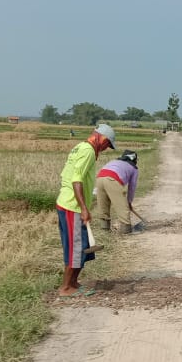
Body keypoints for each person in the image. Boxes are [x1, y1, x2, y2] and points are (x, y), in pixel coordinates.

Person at [56, 124, 116, 297]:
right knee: (75, 248)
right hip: (72, 206)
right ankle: (66, 288)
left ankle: (73, 282)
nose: (106, 149)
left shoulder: (80, 147)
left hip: (67, 203)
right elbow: (76, 180)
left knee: (80, 246)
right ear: (102, 138)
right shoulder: (88, 151)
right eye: (107, 145)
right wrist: (83, 208)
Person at [95, 149, 140, 234]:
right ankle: (125, 229)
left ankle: (104, 229)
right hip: (112, 179)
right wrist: (129, 202)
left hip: (100, 178)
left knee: (103, 204)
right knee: (122, 206)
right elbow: (132, 187)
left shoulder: (114, 161)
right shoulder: (134, 168)